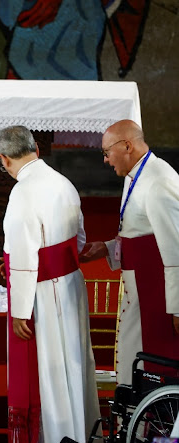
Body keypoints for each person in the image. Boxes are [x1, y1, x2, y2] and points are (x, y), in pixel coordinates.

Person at [0, 126, 99, 443]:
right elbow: (81, 240)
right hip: (69, 286)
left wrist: (21, 308)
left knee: (49, 374)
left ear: (4, 159)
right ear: (36, 148)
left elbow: (23, 254)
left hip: (40, 292)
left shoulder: (23, 192)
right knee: (71, 369)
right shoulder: (63, 182)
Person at [80, 120, 179, 383]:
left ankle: (151, 423)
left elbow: (175, 248)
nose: (105, 160)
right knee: (135, 359)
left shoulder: (158, 181)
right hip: (141, 289)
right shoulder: (137, 174)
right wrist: (108, 248)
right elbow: (140, 234)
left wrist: (178, 309)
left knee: (153, 366)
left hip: (157, 297)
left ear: (127, 146)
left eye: (106, 152)